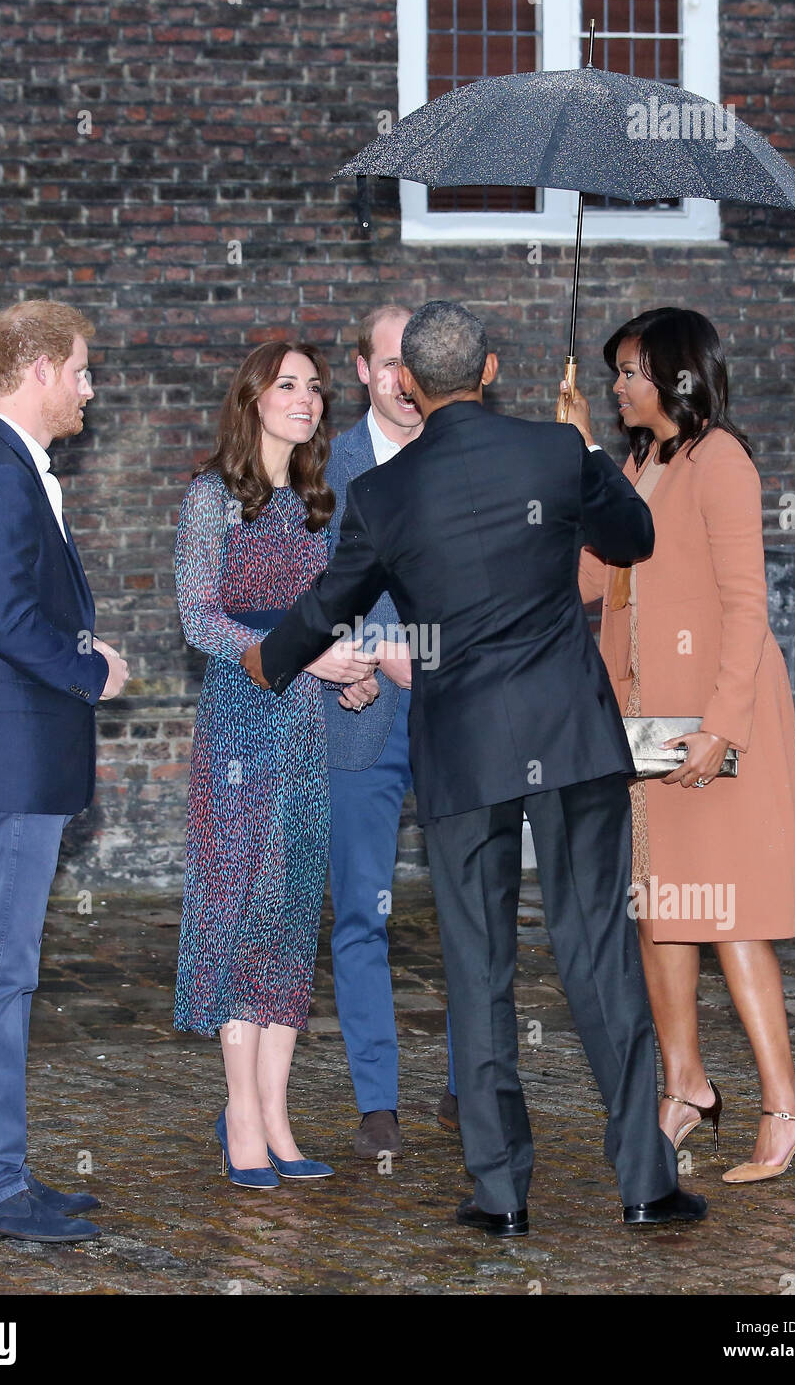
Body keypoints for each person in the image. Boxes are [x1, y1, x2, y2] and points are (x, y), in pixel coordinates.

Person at [242, 301, 706, 1234]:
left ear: (408, 382)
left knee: (478, 968)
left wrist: (268, 659)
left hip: (463, 752)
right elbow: (631, 541)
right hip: (571, 739)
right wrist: (582, 454)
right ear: (491, 368)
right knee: (597, 958)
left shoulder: (384, 495)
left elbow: (331, 601)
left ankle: (499, 1197)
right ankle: (646, 1185)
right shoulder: (554, 451)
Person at [569, 307, 795, 1184]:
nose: (617, 388)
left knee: (727, 912)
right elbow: (592, 579)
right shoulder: (640, 463)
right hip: (641, 721)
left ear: (674, 376)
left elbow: (746, 605)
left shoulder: (721, 461)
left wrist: (722, 725)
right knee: (659, 907)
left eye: (630, 372)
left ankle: (786, 1098)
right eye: (614, 375)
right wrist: (585, 472)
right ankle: (683, 1087)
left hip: (717, 717)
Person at [0, 299, 129, 1242]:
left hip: (23, 760)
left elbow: (15, 612)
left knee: (7, 975)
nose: (90, 389)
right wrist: (92, 670)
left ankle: (0, 1174)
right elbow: (11, 622)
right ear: (42, 367)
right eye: (84, 370)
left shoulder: (10, 470)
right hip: (13, 765)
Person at [174, 341, 378, 1189]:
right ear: (253, 397)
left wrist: (350, 669)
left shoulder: (323, 503)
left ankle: (279, 1117)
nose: (305, 397)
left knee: (291, 920)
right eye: (287, 385)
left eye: (314, 387)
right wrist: (296, 656)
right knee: (237, 914)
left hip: (305, 730)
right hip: (237, 726)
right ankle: (242, 1119)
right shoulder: (211, 497)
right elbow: (199, 620)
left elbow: (331, 617)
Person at [324, 304, 457, 1159]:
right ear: (363, 372)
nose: (402, 379)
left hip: (456, 713)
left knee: (465, 906)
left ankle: (467, 1083)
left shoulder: (466, 452)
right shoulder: (322, 466)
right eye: (386, 363)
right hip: (360, 712)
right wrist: (364, 648)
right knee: (361, 909)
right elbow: (300, 589)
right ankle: (377, 1098)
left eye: (415, 364)